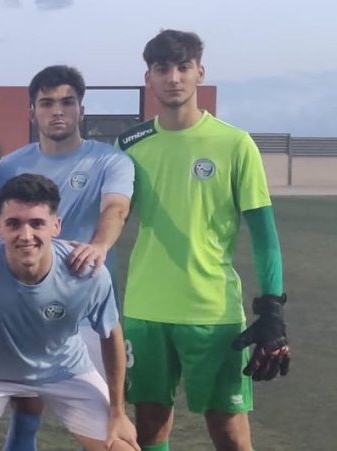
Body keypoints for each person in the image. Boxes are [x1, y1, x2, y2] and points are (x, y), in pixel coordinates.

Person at [118, 29, 289, 451]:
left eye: (182, 67)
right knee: (150, 425)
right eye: (162, 69)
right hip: (145, 310)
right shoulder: (129, 145)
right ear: (149, 78)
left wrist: (271, 308)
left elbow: (263, 231)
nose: (173, 77)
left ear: (199, 73)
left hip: (212, 311)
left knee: (228, 429)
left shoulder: (234, 143)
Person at [0, 65, 134, 451]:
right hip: (19, 307)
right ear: (33, 112)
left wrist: (99, 246)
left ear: (81, 109)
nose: (57, 111)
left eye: (67, 102)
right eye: (47, 103)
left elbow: (115, 209)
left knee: (104, 427)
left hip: (82, 311)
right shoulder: (12, 164)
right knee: (26, 408)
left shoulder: (109, 161)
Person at [0, 174, 138, 451]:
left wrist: (118, 412)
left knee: (121, 446)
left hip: (64, 371)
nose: (26, 235)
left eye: (37, 224)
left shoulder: (86, 273)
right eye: (13, 224)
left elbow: (111, 333)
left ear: (56, 226)